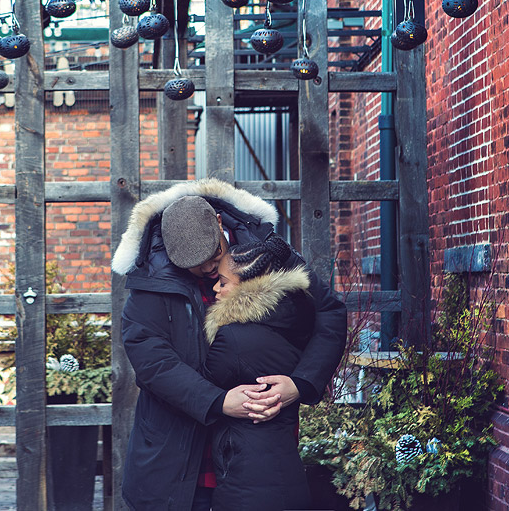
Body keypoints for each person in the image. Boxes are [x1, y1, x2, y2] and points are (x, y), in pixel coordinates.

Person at [111, 178, 347, 511]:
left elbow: (329, 313)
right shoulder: (149, 277)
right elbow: (152, 361)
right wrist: (217, 401)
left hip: (254, 457)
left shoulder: (264, 250)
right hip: (175, 454)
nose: (208, 269)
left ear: (219, 223)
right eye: (194, 266)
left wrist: (301, 382)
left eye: (214, 256)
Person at [204, 235, 316, 511]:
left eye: (224, 282)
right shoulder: (293, 319)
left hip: (246, 479)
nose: (216, 288)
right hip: (284, 469)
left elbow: (201, 385)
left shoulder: (232, 339)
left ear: (249, 287)